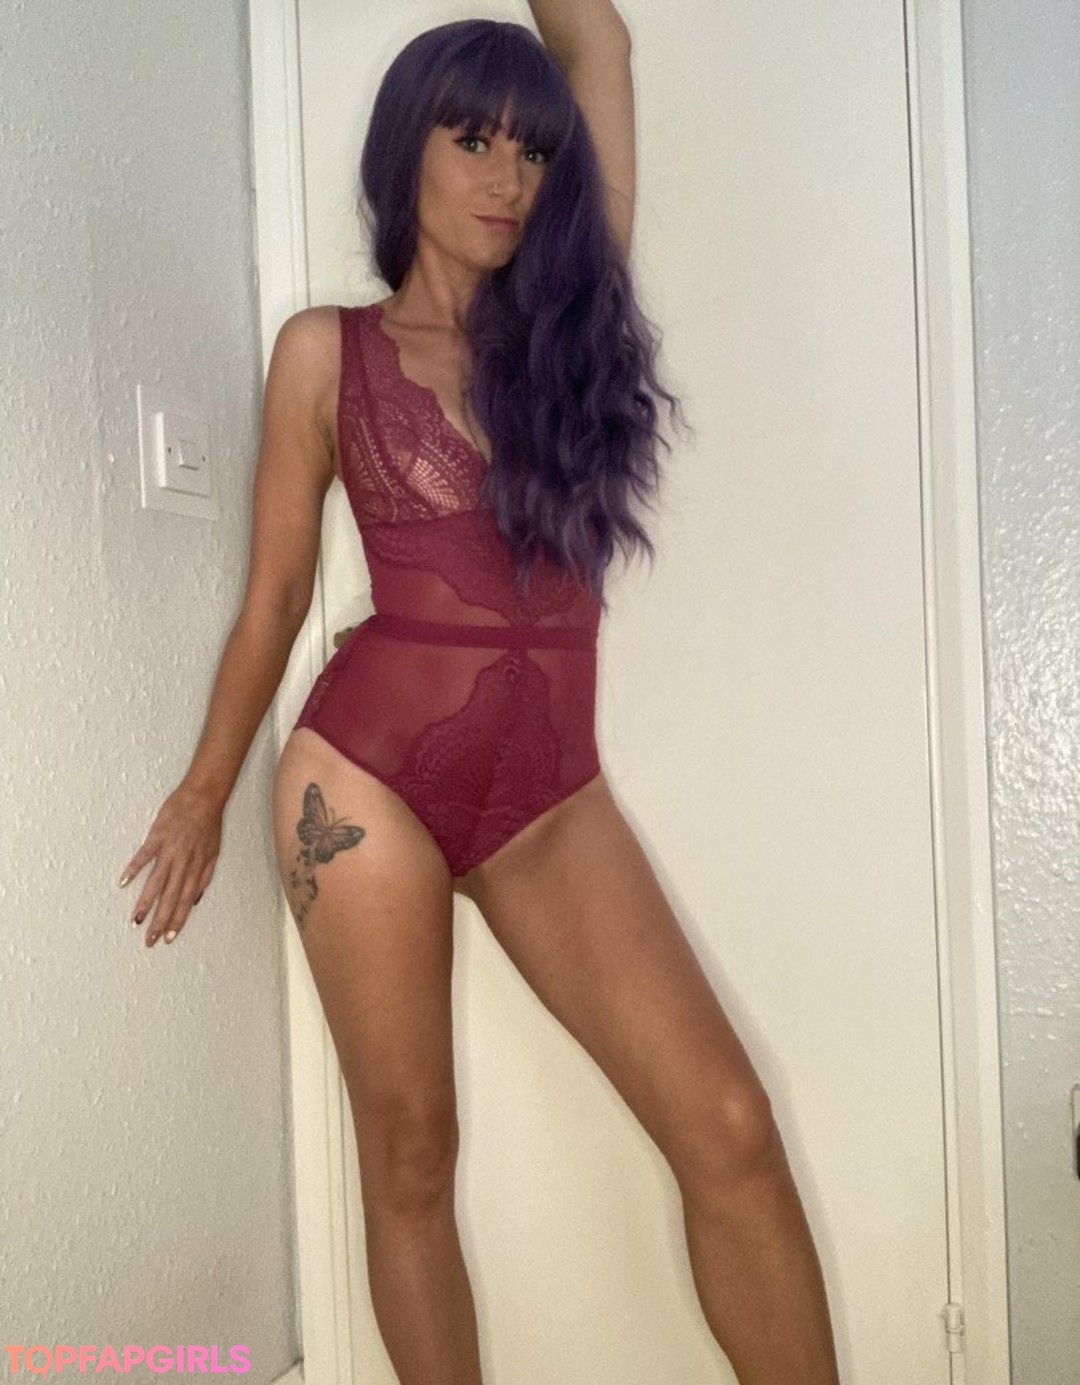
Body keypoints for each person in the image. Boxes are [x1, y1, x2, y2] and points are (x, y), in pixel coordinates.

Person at [118, 5, 841, 1382]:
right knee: (411, 1154)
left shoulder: (570, 325)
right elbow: (276, 595)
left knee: (729, 1127)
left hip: (548, 801)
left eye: (534, 151)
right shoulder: (324, 352)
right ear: (410, 149)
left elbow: (597, 43)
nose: (509, 178)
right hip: (363, 781)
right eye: (474, 140)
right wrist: (205, 789)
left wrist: (575, 91)